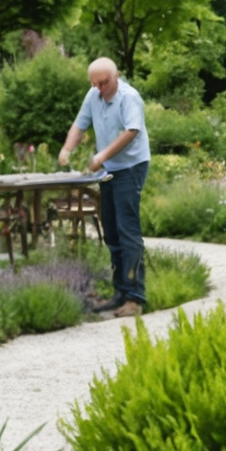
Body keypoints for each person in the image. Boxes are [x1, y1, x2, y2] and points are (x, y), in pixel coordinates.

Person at [58, 57, 150, 318]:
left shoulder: (128, 98)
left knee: (127, 230)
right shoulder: (93, 95)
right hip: (110, 170)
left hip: (131, 168)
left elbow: (131, 131)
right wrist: (67, 148)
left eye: (104, 82)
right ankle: (120, 292)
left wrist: (101, 157)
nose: (99, 88)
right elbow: (79, 124)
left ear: (116, 76)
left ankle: (135, 298)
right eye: (95, 84)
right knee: (111, 231)